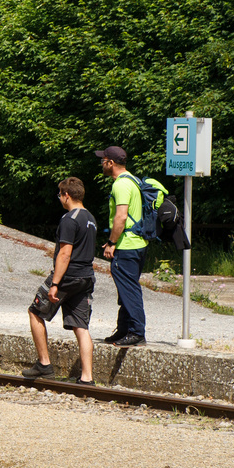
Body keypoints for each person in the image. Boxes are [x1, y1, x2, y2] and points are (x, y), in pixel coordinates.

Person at [25, 177, 97, 382]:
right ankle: (87, 378)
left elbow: (65, 254)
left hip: (67, 277)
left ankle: (44, 364)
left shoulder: (69, 219)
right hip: (86, 278)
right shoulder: (90, 218)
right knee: (81, 327)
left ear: (67, 195)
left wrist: (55, 283)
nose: (60, 199)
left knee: (35, 312)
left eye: (60, 195)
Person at [96, 145, 147, 346]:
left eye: (103, 160)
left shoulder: (120, 185)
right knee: (126, 288)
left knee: (129, 289)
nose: (101, 164)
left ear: (111, 163)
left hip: (126, 245)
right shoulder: (134, 180)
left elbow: (121, 216)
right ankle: (124, 329)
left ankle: (136, 332)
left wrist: (111, 243)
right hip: (138, 243)